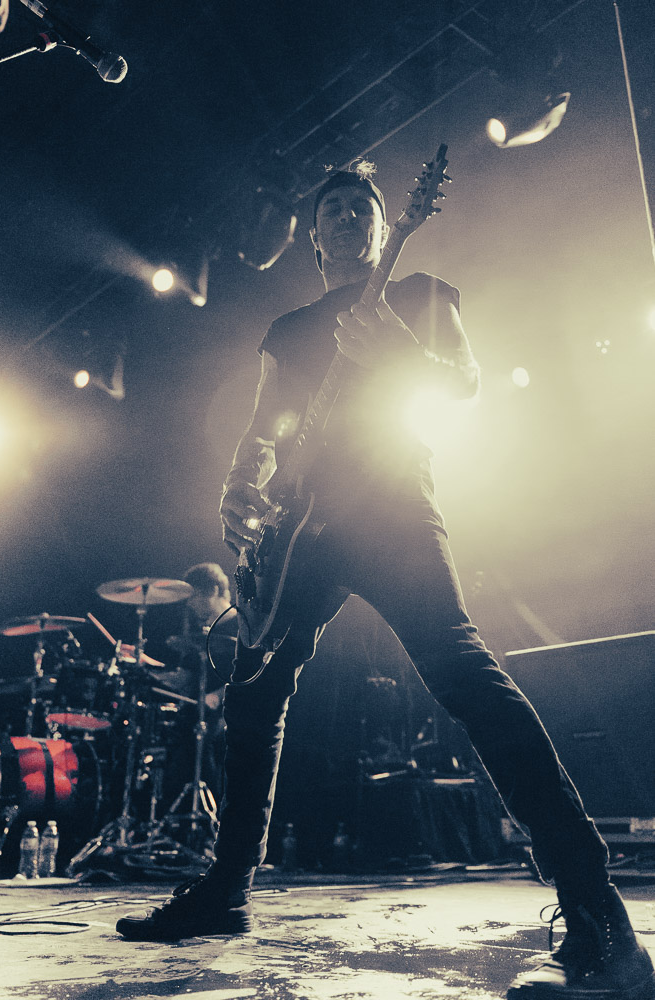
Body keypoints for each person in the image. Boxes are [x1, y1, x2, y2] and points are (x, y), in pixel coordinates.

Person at [116, 163, 654, 1000]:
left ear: (381, 226)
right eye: (330, 208)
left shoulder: (421, 292)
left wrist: (396, 349)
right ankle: (226, 890)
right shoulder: (288, 327)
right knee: (252, 697)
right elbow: (260, 434)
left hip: (392, 509)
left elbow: (463, 387)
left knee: (462, 673)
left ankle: (593, 904)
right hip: (298, 535)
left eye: (359, 208)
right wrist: (236, 489)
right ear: (313, 234)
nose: (345, 219)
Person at [158, 562, 237, 807]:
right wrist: (146, 668)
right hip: (197, 714)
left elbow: (256, 675)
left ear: (213, 590)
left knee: (207, 749)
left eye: (193, 596)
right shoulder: (198, 636)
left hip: (227, 717)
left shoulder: (242, 627)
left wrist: (218, 695)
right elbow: (185, 678)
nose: (189, 604)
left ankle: (210, 824)